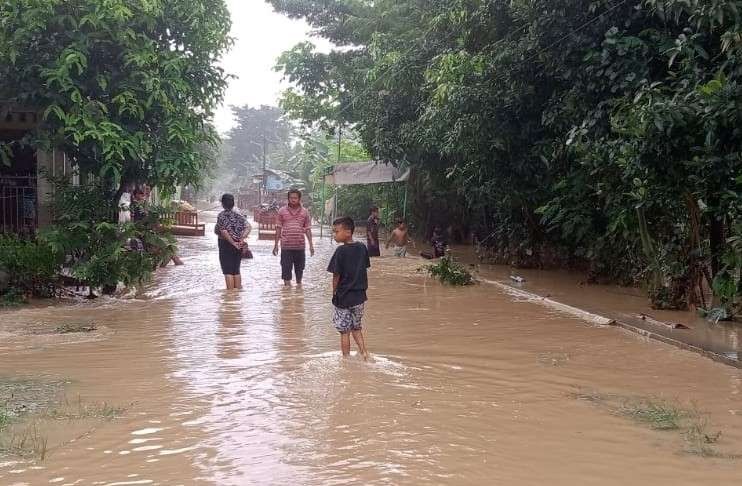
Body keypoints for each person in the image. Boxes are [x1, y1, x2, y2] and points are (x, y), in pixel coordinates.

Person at [328, 216, 370, 360]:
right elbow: (364, 268)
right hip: (359, 297)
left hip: (344, 297)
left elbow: (336, 276)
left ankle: (345, 360)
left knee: (344, 332)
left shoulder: (340, 251)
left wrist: (334, 293)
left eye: (336, 232)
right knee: (356, 327)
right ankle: (364, 353)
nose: (334, 235)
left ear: (348, 232)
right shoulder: (362, 248)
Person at [272, 189, 314, 287]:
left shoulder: (305, 212)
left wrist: (311, 245)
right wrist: (276, 245)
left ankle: (299, 293)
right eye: (291, 198)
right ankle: (287, 295)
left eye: (295, 198)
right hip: (286, 246)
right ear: (288, 199)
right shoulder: (282, 211)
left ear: (299, 199)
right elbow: (278, 228)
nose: (293, 200)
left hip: (300, 246)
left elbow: (308, 229)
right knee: (286, 270)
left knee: (299, 271)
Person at [215, 193, 247, 290]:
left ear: (223, 204)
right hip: (239, 244)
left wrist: (232, 243)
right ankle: (237, 295)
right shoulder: (239, 214)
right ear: (233, 203)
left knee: (228, 271)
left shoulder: (221, 215)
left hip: (226, 245)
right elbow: (248, 227)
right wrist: (241, 239)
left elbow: (224, 231)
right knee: (236, 270)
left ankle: (230, 296)